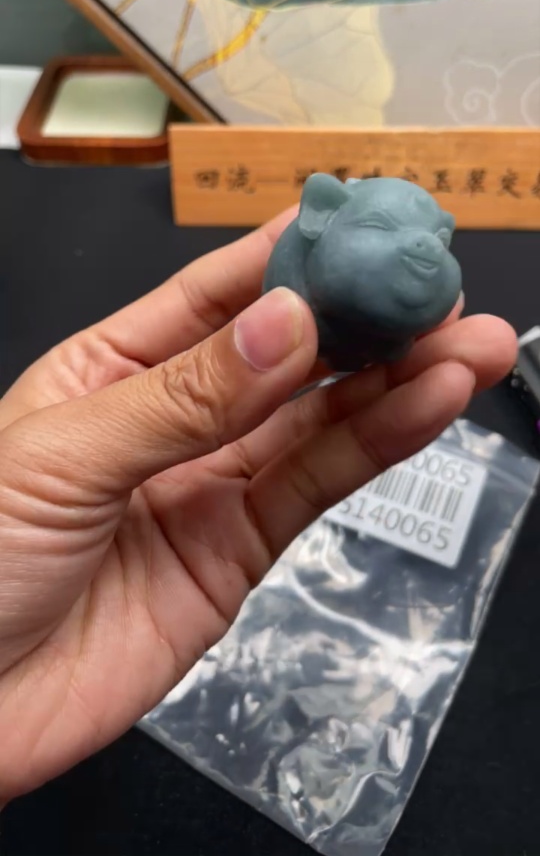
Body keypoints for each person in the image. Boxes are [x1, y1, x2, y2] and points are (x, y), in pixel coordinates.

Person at [0, 207, 516, 808]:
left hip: (361, 342)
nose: (426, 250)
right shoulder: (294, 279)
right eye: (382, 228)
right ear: (321, 219)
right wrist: (207, 387)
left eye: (438, 239)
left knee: (420, 389)